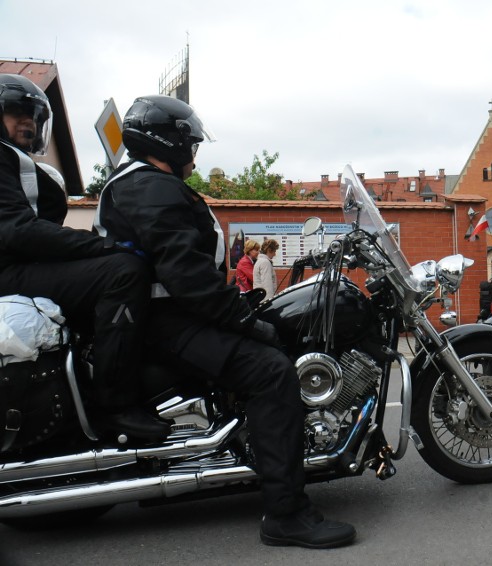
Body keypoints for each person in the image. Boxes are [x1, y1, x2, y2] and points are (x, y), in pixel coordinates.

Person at [93, 94, 355, 548]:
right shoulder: (149, 186)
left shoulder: (145, 183)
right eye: (189, 142)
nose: (193, 152)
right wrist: (242, 319)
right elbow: (185, 274)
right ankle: (287, 514)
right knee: (271, 372)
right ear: (168, 142)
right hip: (167, 321)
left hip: (170, 315)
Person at [0, 74, 168, 440]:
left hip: (22, 266)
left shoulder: (15, 161)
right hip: (9, 272)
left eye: (34, 116)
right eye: (16, 113)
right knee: (122, 271)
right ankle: (116, 407)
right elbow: (17, 231)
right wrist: (103, 247)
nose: (28, 122)